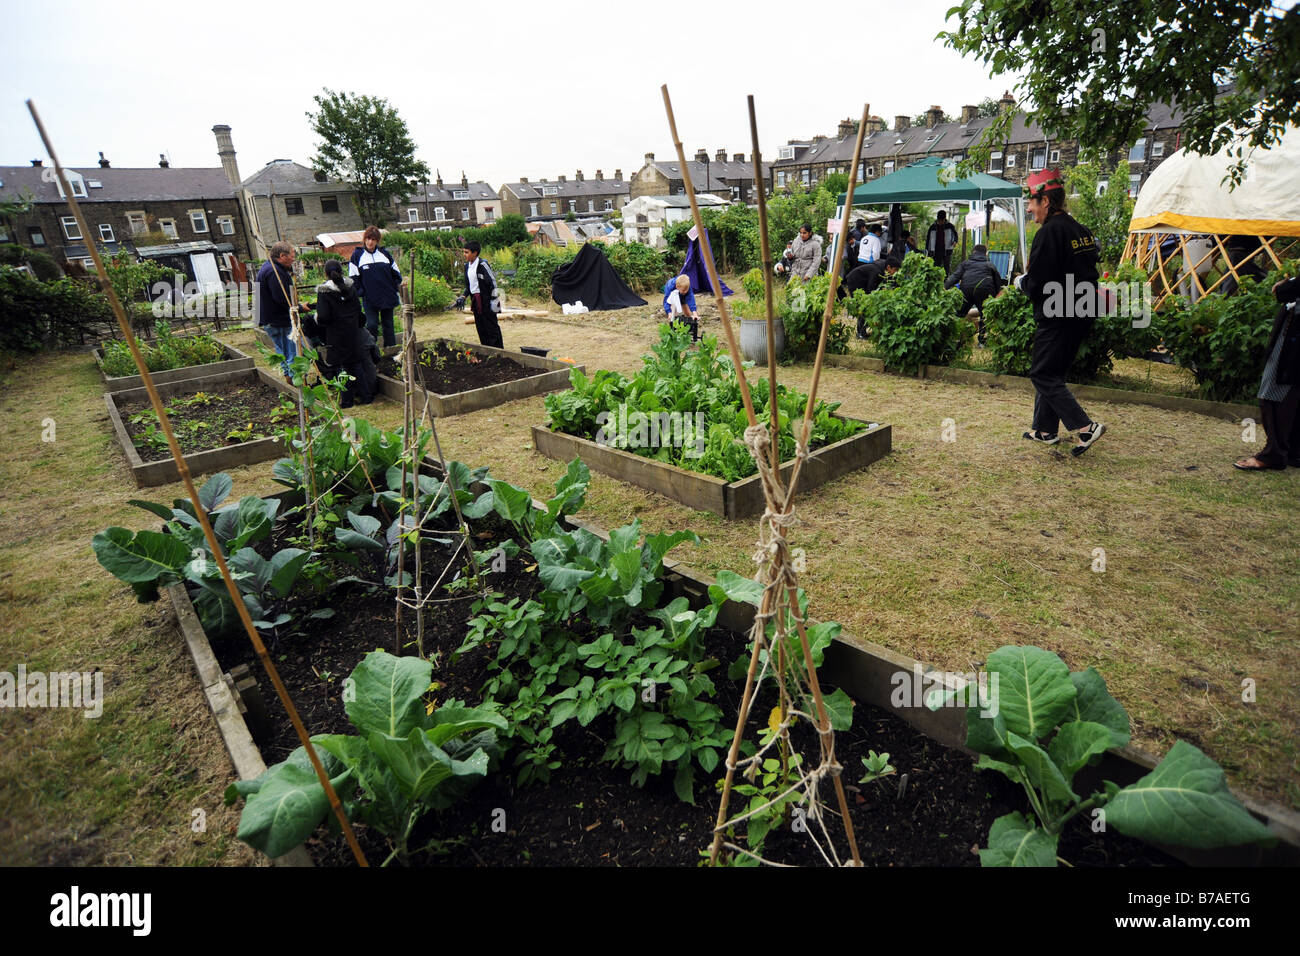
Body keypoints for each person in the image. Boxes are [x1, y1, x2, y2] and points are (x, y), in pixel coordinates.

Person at [1015, 168, 1107, 456]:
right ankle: (1044, 430)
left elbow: (1039, 281)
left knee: (1042, 373)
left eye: (1032, 202)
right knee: (1052, 371)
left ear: (1046, 201)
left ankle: (1085, 426)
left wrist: (1020, 283)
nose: (1029, 209)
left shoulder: (1048, 233)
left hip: (1059, 312)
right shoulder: (1079, 228)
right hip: (1082, 309)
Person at [1235, 274, 1300, 470]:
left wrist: (1284, 285)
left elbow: (1284, 291)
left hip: (1295, 334)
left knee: (1273, 392)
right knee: (1295, 393)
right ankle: (1293, 452)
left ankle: (1274, 454)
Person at [313, 259, 375, 407]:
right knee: (356, 364)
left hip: (336, 335)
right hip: (352, 332)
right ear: (341, 271)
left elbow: (323, 316)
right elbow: (359, 312)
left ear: (326, 273)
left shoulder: (325, 293)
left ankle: (347, 401)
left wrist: (317, 320)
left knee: (341, 368)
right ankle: (366, 396)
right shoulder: (351, 289)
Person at [348, 225, 402, 348]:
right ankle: (372, 352)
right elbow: (353, 277)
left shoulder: (385, 254)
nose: (370, 242)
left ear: (377, 241)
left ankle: (391, 350)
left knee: (388, 325)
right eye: (368, 239)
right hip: (370, 299)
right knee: (372, 325)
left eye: (373, 239)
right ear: (364, 239)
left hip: (387, 297)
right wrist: (362, 292)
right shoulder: (357, 256)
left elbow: (397, 274)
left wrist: (393, 288)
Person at [945, 243, 1005, 341]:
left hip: (966, 290)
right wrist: (997, 294)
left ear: (973, 252)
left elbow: (954, 277)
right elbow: (998, 282)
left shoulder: (966, 263)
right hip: (985, 290)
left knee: (960, 313)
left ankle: (956, 337)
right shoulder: (990, 265)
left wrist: (945, 287)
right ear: (985, 254)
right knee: (984, 315)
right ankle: (982, 340)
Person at [257, 241, 298, 378]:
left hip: (269, 319)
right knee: (290, 352)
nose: (293, 259)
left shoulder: (267, 267)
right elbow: (282, 298)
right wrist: (298, 307)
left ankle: (288, 376)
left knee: (283, 351)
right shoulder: (274, 272)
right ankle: (294, 380)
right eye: (292, 256)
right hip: (278, 320)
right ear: (282, 256)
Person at [453, 240, 503, 349]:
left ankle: (499, 352)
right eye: (464, 252)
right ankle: (486, 351)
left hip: (488, 300)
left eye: (467, 252)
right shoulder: (467, 267)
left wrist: (494, 302)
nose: (464, 254)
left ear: (475, 253)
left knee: (492, 327)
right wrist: (463, 296)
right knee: (481, 327)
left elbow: (493, 283)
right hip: (476, 301)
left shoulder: (483, 265)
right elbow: (470, 286)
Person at [840, 254, 901, 337]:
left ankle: (863, 331)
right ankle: (860, 333)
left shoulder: (885, 266)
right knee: (863, 306)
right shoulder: (877, 271)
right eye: (895, 270)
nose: (896, 272)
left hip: (864, 280)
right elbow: (870, 290)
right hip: (854, 281)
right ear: (889, 267)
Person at [662, 274, 699, 341]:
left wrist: (694, 312)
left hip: (681, 295)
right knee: (674, 316)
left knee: (688, 314)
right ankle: (675, 332)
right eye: (683, 290)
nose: (685, 291)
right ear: (677, 287)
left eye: (686, 290)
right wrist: (669, 312)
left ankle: (687, 330)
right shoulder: (670, 287)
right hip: (673, 297)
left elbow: (691, 299)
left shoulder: (686, 287)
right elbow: (666, 302)